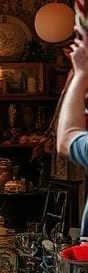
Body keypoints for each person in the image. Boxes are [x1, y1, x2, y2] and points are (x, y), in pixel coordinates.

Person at [58, 26, 88, 167]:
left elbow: (66, 141)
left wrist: (80, 74)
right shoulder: (74, 72)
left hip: (78, 129)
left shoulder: (81, 73)